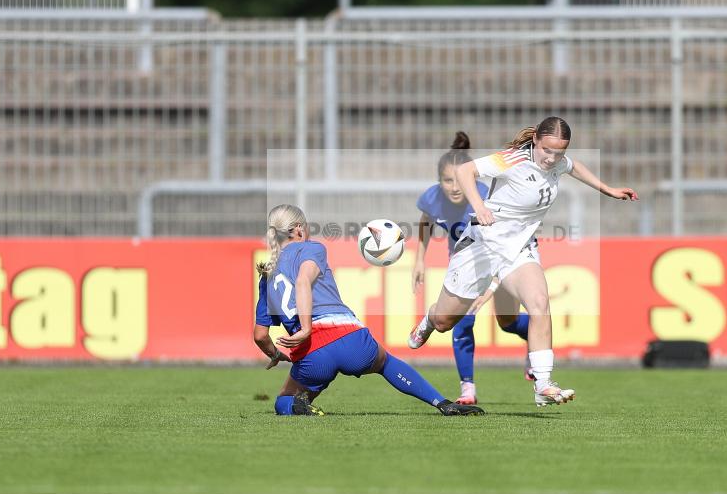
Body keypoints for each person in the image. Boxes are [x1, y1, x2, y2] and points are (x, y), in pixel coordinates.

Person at [408, 116, 638, 406]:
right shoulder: (512, 160)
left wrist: (607, 189)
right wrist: (478, 206)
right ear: (536, 141)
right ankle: (428, 321)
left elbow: (574, 166)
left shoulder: (557, 161)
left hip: (519, 249)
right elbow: (467, 170)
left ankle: (543, 383)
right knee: (445, 321)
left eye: (560, 152)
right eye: (547, 151)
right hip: (483, 244)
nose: (553, 158)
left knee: (539, 302)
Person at [253, 203, 484, 417]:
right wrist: (305, 328)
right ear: (299, 229)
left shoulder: (267, 274)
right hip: (350, 340)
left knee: (284, 400)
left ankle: (296, 406)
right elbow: (303, 280)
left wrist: (275, 354)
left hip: (313, 356)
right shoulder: (311, 248)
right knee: (387, 363)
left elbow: (260, 335)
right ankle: (441, 403)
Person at [413, 131, 531, 405]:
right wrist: (420, 258)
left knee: (508, 323)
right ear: (439, 181)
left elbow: (502, 249)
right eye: (447, 180)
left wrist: (488, 289)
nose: (454, 187)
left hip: (503, 261)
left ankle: (535, 337)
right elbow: (425, 220)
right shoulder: (433, 197)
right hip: (466, 266)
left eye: (459, 180)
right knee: (462, 321)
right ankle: (468, 388)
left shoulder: (486, 201)